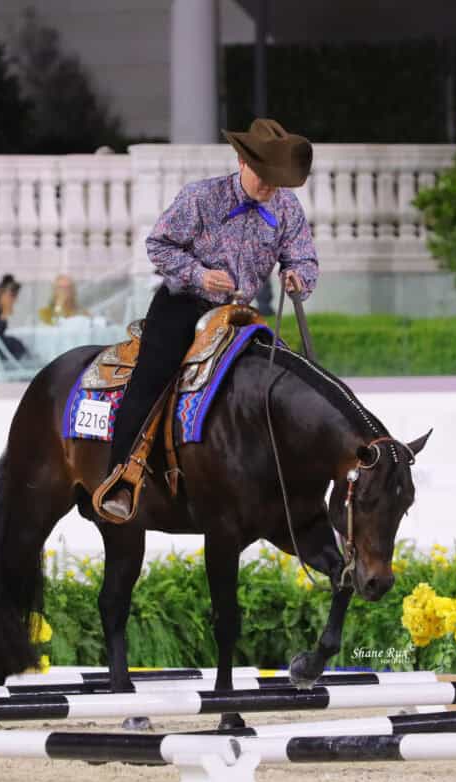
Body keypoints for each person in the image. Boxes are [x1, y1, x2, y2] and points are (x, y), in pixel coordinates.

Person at [98, 118, 319, 521]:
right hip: (184, 303)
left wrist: (297, 276)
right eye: (263, 175)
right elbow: (158, 245)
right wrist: (199, 274)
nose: (269, 186)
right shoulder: (201, 197)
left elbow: (303, 257)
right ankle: (122, 475)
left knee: (281, 375)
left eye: (276, 177)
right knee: (154, 373)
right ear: (241, 161)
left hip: (238, 314)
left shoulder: (286, 206)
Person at [0, 274, 30, 361]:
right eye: (12, 295)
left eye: (15, 296)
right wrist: (4, 314)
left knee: (16, 343)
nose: (14, 300)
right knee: (15, 344)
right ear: (0, 292)